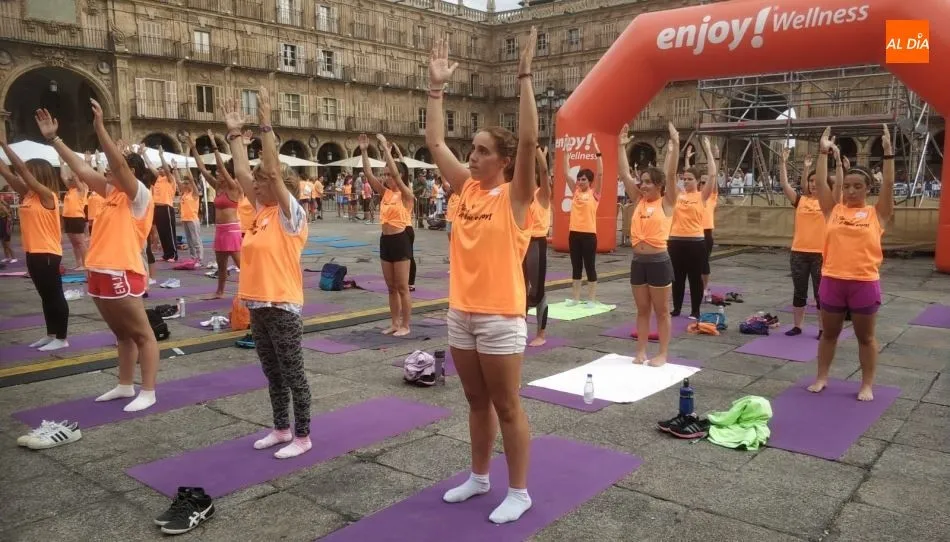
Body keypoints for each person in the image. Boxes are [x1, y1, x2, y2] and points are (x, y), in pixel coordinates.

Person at [426, 28, 538, 524]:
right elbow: (434, 141)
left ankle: (519, 491)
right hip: (462, 312)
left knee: (506, 404)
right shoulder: (465, 189)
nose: (471, 157)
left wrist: (525, 78)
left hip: (500, 316)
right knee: (475, 401)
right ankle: (479, 477)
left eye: (482, 151)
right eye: (471, 149)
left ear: (504, 161)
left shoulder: (515, 196)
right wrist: (436, 88)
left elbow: (530, 139)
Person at [41, 100, 160, 411]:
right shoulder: (110, 193)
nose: (106, 169)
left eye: (114, 166)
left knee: (142, 334)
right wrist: (55, 139)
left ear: (132, 172)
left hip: (124, 271)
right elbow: (82, 169)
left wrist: (100, 128)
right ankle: (125, 384)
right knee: (121, 334)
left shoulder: (139, 196)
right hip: (99, 271)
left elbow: (118, 166)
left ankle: (148, 391)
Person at [224, 86, 312, 457]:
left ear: (280, 186)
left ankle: (302, 437)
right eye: (257, 181)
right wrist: (234, 135)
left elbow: (271, 171)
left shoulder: (291, 216)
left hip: (283, 305)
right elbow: (241, 171)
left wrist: (265, 126)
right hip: (258, 305)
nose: (255, 184)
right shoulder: (261, 213)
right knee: (272, 373)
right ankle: (280, 428)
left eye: (262, 182)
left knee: (293, 374)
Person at [809, 125, 894, 402]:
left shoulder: (876, 214)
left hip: (864, 282)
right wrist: (822, 152)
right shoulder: (833, 211)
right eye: (846, 186)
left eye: (858, 186)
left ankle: (866, 384)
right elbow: (822, 184)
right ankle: (822, 377)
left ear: (868, 189)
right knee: (829, 334)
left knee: (865, 337)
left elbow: (889, 186)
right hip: (833, 280)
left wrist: (888, 155)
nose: (851, 191)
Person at [0, 139, 70, 351]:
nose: (22, 175)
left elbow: (19, 168)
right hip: (32, 252)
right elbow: (7, 173)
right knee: (45, 296)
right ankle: (51, 334)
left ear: (37, 175)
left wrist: (4, 145)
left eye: (28, 173)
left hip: (47, 253)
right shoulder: (28, 195)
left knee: (54, 295)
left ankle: (62, 338)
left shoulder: (48, 196)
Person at [618, 123, 678, 366]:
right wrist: (621, 146)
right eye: (641, 181)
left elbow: (671, 175)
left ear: (659, 185)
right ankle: (641, 351)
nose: (642, 185)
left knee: (662, 310)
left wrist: (675, 145)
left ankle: (662, 353)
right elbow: (624, 174)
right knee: (643, 309)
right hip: (638, 262)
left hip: (659, 261)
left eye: (647, 182)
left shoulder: (667, 202)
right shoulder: (638, 200)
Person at [360, 133, 415, 336]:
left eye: (388, 174)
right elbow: (368, 173)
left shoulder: (406, 195)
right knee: (391, 287)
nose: (386, 177)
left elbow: (397, 176)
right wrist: (364, 151)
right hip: (386, 240)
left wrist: (385, 149)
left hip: (400, 240)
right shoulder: (386, 193)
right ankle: (394, 323)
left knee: (402, 287)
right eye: (384, 174)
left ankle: (406, 325)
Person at [667, 125, 718, 320]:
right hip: (676, 241)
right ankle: (677, 308)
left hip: (696, 242)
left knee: (695, 278)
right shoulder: (677, 195)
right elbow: (670, 174)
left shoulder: (702, 196)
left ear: (697, 181)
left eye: (689, 179)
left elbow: (712, 175)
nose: (686, 181)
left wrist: (709, 152)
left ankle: (695, 310)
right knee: (677, 278)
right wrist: (673, 148)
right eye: (684, 178)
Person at [186, 131, 243, 297]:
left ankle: (252, 290)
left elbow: (222, 167)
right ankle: (220, 291)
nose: (217, 173)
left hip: (232, 230)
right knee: (221, 264)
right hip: (220, 230)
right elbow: (202, 169)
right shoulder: (217, 186)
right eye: (217, 172)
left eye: (220, 172)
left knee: (241, 265)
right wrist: (193, 149)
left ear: (228, 174)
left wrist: (214, 145)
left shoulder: (234, 187)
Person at [778, 150, 826, 337]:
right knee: (799, 291)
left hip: (820, 254)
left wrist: (840, 166)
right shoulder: (800, 200)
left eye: (817, 181)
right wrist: (782, 163)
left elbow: (839, 187)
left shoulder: (828, 203)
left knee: (821, 294)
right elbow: (784, 185)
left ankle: (822, 328)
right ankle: (797, 326)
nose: (813, 184)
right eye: (811, 181)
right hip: (799, 252)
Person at [562, 134, 603, 305]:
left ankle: (591, 299)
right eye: (579, 179)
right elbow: (566, 173)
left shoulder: (594, 193)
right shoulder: (576, 191)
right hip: (574, 234)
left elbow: (600, 173)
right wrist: (566, 153)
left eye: (583, 179)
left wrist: (597, 153)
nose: (580, 181)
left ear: (590, 181)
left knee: (590, 266)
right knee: (576, 266)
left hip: (589, 235)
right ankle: (576, 298)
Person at [524, 147, 552, 346]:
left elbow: (544, 171)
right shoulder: (522, 196)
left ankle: (541, 334)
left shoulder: (542, 194)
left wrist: (536, 151)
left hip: (536, 243)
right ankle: (520, 328)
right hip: (521, 243)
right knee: (520, 288)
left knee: (537, 291)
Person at [150, 156, 178, 262]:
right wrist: (144, 154)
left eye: (162, 168)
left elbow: (166, 169)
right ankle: (166, 254)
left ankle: (173, 255)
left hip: (166, 207)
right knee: (162, 232)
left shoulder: (170, 179)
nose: (160, 169)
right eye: (160, 168)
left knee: (169, 232)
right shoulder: (159, 178)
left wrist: (161, 156)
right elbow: (150, 166)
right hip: (157, 207)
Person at [61, 166, 89, 270]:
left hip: (77, 218)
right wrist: (62, 163)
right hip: (67, 218)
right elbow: (63, 176)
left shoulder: (82, 188)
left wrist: (73, 169)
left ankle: (85, 264)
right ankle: (78, 263)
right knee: (74, 244)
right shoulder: (71, 190)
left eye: (72, 179)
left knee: (80, 243)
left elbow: (76, 178)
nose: (70, 180)